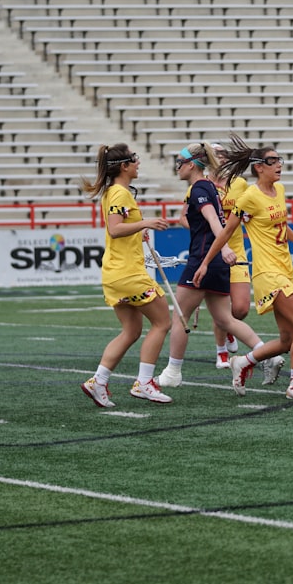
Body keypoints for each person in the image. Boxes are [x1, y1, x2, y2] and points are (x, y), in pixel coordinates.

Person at [193, 135, 293, 400]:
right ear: (258, 167)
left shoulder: (280, 191)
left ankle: (242, 362)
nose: (279, 165)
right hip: (268, 273)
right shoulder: (249, 196)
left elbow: (279, 225)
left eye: (279, 160)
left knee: (287, 340)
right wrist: (206, 262)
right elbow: (225, 232)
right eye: (272, 161)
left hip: (285, 269)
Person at [156, 143, 279, 388]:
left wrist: (222, 248)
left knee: (180, 317)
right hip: (218, 262)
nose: (177, 168)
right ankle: (267, 354)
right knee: (225, 319)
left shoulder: (200, 187)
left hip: (204, 259)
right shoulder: (211, 186)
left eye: (180, 163)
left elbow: (213, 219)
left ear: (192, 164)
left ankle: (172, 373)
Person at [79, 143, 174, 407]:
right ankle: (144, 383)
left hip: (116, 272)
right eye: (135, 160)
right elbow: (115, 229)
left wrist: (138, 229)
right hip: (127, 273)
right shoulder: (119, 193)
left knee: (131, 330)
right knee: (163, 322)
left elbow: (122, 228)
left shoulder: (115, 192)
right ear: (124, 166)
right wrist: (146, 222)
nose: (138, 164)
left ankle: (98, 381)